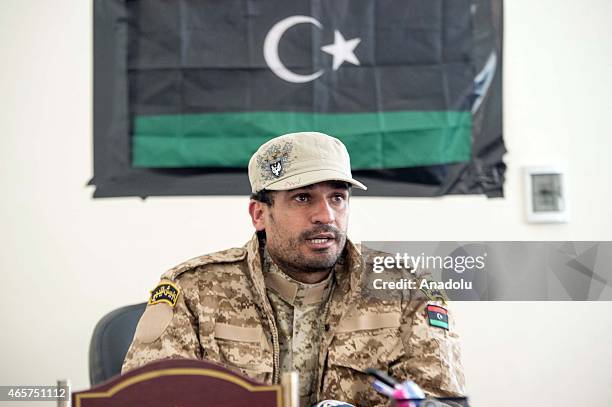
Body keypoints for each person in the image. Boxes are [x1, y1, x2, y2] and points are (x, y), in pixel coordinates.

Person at [122, 131, 466, 406]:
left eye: (337, 197)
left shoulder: (406, 289)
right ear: (259, 214)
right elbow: (144, 400)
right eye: (302, 198)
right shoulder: (194, 290)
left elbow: (444, 401)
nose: (326, 215)